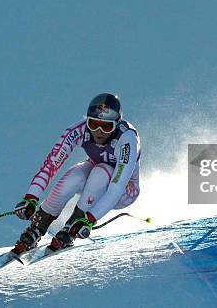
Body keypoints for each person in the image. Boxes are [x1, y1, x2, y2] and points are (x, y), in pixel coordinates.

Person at [12, 93, 141, 255]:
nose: (99, 132)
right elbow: (51, 165)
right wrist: (31, 197)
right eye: (94, 124)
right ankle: (37, 227)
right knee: (74, 176)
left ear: (117, 124)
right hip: (94, 176)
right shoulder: (78, 130)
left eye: (106, 126)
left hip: (125, 190)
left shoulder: (127, 138)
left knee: (100, 172)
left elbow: (117, 187)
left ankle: (71, 229)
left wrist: (90, 219)